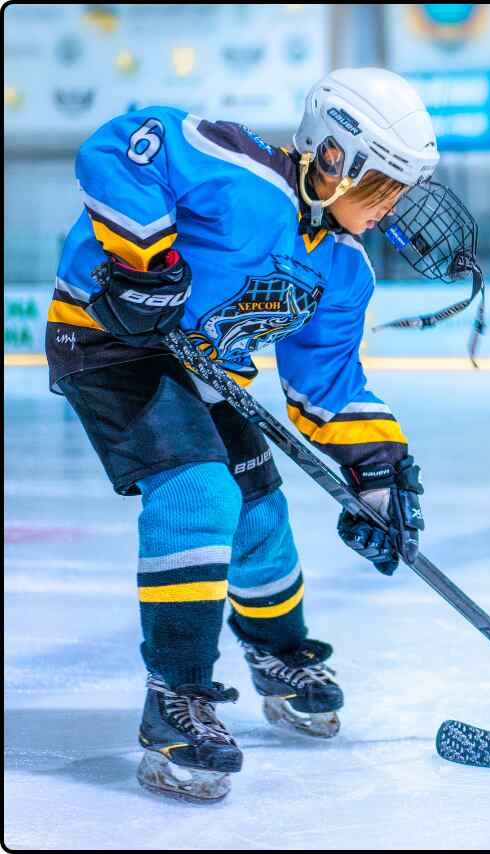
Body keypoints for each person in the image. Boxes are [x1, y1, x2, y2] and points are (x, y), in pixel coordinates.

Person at [45, 67, 462, 803]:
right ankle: (176, 700)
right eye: (381, 186)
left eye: (399, 191)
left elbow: (326, 385)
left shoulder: (344, 269)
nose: (390, 207)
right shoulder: (239, 174)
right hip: (109, 338)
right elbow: (118, 149)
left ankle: (277, 654)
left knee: (260, 510)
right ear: (333, 158)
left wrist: (378, 475)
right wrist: (149, 261)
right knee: (199, 492)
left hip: (200, 364)